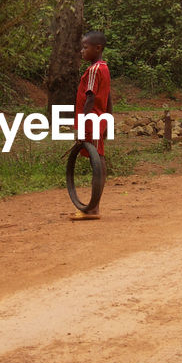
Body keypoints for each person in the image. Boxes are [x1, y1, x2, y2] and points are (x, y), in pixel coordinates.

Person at [71, 30, 111, 221]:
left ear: (98, 48)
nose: (82, 51)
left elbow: (91, 98)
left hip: (92, 119)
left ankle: (93, 208)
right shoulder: (104, 68)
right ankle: (93, 207)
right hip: (99, 119)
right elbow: (108, 97)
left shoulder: (95, 70)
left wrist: (81, 126)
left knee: (98, 161)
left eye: (85, 48)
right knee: (98, 159)